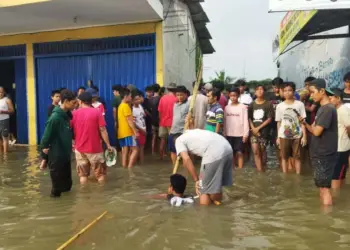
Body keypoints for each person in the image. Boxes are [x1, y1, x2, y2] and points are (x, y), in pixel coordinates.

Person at [300, 79, 337, 206]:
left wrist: (305, 123)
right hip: (320, 152)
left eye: (313, 92)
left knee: (325, 188)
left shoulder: (327, 109)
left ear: (322, 91)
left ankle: (327, 218)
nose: (311, 96)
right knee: (322, 187)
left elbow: (316, 132)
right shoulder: (323, 108)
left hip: (324, 153)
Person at [175, 129, 233, 205]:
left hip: (213, 152)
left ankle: (205, 213)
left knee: (203, 190)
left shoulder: (178, 141)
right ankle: (219, 208)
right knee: (217, 186)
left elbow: (186, 159)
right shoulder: (191, 132)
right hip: (227, 148)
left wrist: (196, 180)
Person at [40, 90, 77, 197]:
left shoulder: (66, 116)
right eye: (73, 103)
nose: (75, 105)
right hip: (56, 157)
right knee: (57, 190)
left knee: (67, 186)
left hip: (65, 155)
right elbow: (45, 140)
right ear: (65, 101)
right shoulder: (55, 118)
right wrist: (44, 158)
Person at [71, 92, 112, 184]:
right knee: (100, 175)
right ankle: (102, 196)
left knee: (83, 175)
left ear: (80, 101)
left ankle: (84, 195)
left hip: (79, 149)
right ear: (91, 101)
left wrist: (72, 143)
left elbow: (69, 130)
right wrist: (108, 145)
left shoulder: (74, 113)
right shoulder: (97, 112)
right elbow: (102, 130)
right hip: (95, 149)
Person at [275, 82, 307, 174]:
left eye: (289, 90)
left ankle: (298, 176)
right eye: (285, 91)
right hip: (283, 136)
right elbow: (279, 122)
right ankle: (285, 176)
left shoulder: (300, 104)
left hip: (297, 135)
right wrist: (278, 137)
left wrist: (304, 136)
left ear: (293, 91)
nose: (287, 93)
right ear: (282, 92)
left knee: (298, 157)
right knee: (284, 157)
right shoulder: (280, 106)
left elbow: (303, 121)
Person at [248, 85, 273, 172]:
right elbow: (249, 118)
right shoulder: (252, 104)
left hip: (264, 132)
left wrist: (258, 128)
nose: (259, 91)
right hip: (253, 132)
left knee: (262, 151)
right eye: (257, 89)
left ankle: (263, 167)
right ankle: (260, 171)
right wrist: (253, 128)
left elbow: (269, 119)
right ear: (255, 92)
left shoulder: (268, 104)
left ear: (264, 92)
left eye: (261, 89)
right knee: (255, 151)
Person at [329, 88, 350, 189]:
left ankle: (337, 199)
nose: (329, 100)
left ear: (338, 99)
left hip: (341, 148)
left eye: (331, 97)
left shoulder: (343, 110)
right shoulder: (335, 110)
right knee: (337, 175)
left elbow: (349, 126)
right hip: (335, 147)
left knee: (337, 177)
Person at [224, 87, 249, 169]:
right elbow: (225, 121)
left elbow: (246, 121)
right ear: (229, 96)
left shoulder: (243, 107)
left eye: (235, 95)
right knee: (231, 153)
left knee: (240, 153)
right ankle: (233, 170)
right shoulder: (226, 108)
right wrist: (224, 133)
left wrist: (245, 134)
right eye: (231, 96)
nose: (233, 97)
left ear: (238, 96)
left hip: (240, 134)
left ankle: (240, 169)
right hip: (229, 133)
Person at [40, 89, 61, 170]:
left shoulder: (60, 107)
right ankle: (44, 162)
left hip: (58, 132)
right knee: (48, 148)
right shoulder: (51, 108)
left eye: (60, 96)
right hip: (52, 131)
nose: (58, 98)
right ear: (52, 97)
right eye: (56, 96)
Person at [118, 88, 139, 168]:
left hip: (121, 133)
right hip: (128, 132)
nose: (131, 98)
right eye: (130, 96)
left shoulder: (120, 106)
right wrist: (135, 131)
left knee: (125, 151)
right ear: (126, 96)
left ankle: (124, 166)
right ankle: (130, 168)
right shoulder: (126, 106)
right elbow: (129, 121)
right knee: (135, 150)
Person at [168, 86, 189, 164]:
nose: (179, 97)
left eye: (181, 95)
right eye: (178, 95)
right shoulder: (175, 104)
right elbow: (175, 118)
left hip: (182, 132)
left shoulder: (188, 104)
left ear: (186, 94)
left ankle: (185, 169)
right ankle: (174, 167)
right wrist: (170, 130)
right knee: (173, 151)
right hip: (173, 131)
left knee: (184, 153)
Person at [158, 83, 177, 159]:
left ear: (168, 89)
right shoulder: (177, 99)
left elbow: (159, 111)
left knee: (162, 139)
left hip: (163, 122)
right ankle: (174, 157)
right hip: (173, 123)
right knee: (174, 140)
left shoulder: (163, 98)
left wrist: (161, 120)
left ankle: (161, 156)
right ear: (175, 90)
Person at [132, 92, 147, 164]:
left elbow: (143, 115)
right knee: (139, 149)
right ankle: (141, 164)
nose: (138, 100)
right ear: (132, 101)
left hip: (143, 129)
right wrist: (141, 130)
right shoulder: (132, 110)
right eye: (136, 99)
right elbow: (133, 123)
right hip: (139, 131)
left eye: (138, 99)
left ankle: (141, 163)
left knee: (141, 148)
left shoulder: (140, 106)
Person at [0, 87, 14, 154]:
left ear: (4, 92)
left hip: (4, 120)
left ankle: (5, 156)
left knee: (5, 138)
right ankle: (1, 154)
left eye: (1, 92)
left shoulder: (7, 100)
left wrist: (3, 112)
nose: (0, 93)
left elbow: (12, 110)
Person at [150, 84, 161, 155]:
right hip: (159, 120)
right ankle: (161, 152)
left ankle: (153, 151)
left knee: (154, 136)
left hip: (152, 119)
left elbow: (150, 109)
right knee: (161, 137)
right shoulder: (160, 98)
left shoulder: (151, 99)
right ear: (159, 89)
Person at [112, 85, 122, 154]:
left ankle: (119, 151)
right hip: (125, 120)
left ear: (117, 91)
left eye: (113, 91)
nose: (113, 93)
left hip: (119, 120)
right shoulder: (124, 97)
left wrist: (115, 121)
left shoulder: (116, 98)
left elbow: (114, 111)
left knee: (118, 135)